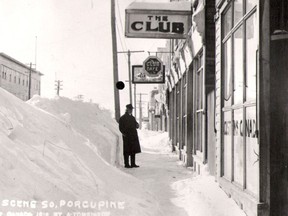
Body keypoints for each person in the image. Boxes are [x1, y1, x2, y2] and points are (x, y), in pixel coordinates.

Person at [119, 104, 141, 168]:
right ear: (127, 109)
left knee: (133, 150)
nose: (131, 111)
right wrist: (124, 133)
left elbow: (135, 124)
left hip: (133, 136)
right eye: (130, 109)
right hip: (127, 137)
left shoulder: (132, 118)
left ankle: (133, 163)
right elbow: (120, 127)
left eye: (131, 109)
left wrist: (137, 125)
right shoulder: (122, 118)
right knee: (127, 150)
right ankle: (126, 164)